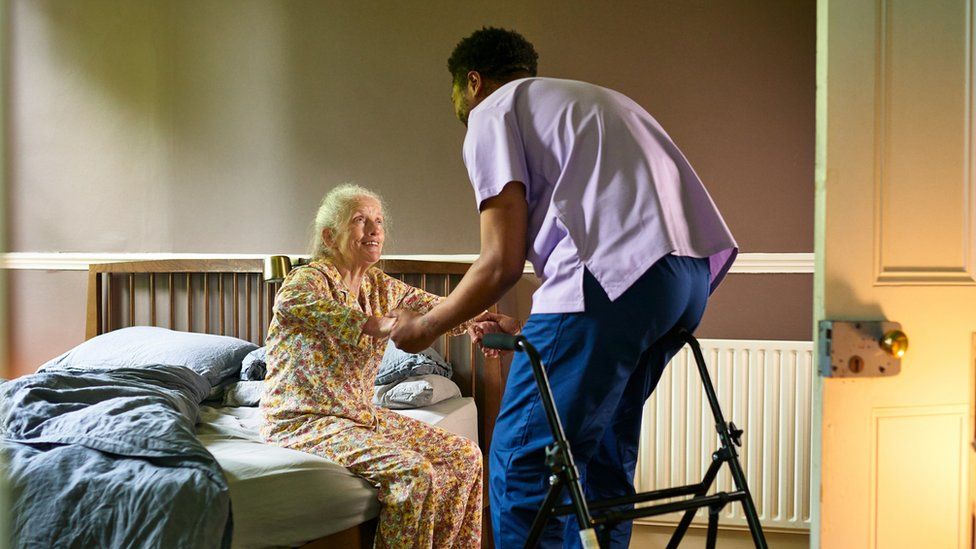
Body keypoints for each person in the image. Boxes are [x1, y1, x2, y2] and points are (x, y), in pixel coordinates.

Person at [389, 27, 737, 548]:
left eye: (457, 94)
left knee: (523, 459)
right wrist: (539, 327)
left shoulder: (491, 111)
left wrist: (422, 328)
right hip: (684, 281)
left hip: (612, 281)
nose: (459, 107)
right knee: (600, 455)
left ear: (473, 82)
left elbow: (501, 261)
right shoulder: (590, 100)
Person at [260, 184, 485, 548]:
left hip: (359, 414)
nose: (375, 229)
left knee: (465, 456)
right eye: (360, 220)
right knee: (414, 474)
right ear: (330, 236)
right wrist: (378, 324)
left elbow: (438, 308)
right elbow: (292, 304)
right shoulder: (307, 279)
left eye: (378, 221)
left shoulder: (379, 284)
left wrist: (480, 320)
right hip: (303, 418)